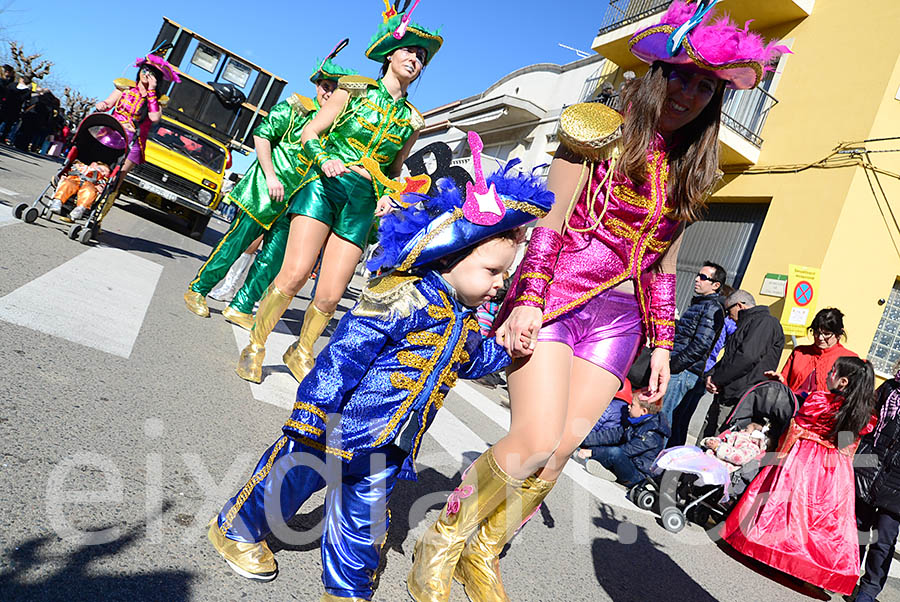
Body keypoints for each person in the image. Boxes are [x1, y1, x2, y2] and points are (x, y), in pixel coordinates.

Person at [407, 3, 788, 601]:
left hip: (620, 321)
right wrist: (528, 300)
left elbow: (663, 262)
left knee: (558, 455)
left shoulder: (689, 170)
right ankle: (443, 538)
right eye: (682, 77)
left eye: (705, 86)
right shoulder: (597, 128)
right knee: (533, 438)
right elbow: (551, 224)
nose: (689, 93)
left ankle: (483, 553)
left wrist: (663, 344)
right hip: (555, 300)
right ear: (660, 74)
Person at [206, 143, 553, 599]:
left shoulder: (461, 319)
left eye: (503, 275)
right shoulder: (402, 296)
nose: (499, 284)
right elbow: (343, 355)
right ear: (451, 255)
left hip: (390, 442)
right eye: (492, 271)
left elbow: (471, 359)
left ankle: (347, 588)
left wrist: (510, 352)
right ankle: (237, 530)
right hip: (335, 425)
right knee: (290, 481)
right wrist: (313, 413)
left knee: (363, 518)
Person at [235, 10, 443, 384]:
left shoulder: (413, 120)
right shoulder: (354, 89)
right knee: (295, 274)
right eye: (410, 51)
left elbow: (394, 170)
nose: (416, 60)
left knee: (330, 296)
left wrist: (389, 195)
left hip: (362, 201)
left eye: (422, 57)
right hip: (323, 187)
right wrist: (325, 159)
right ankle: (255, 344)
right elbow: (310, 133)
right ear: (390, 55)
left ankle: (301, 350)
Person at [184, 54, 356, 330]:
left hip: (296, 203)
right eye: (326, 85)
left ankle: (240, 306)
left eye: (336, 88)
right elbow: (262, 135)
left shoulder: (336, 128)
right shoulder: (296, 108)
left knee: (272, 259)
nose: (329, 92)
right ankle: (198, 289)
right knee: (235, 245)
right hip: (265, 191)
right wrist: (271, 176)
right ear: (317, 86)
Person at [721, 357, 877, 595]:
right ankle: (811, 568)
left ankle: (770, 551)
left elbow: (800, 421)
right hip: (835, 469)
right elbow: (846, 444)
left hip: (804, 460)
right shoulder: (861, 415)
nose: (828, 375)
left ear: (842, 382)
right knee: (821, 517)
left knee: (788, 508)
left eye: (832, 372)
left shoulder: (819, 401)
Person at [703, 290, 784, 438]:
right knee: (706, 443)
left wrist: (717, 379)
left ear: (740, 306)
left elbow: (746, 357)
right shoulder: (746, 324)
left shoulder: (765, 322)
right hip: (726, 395)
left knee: (718, 448)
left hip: (740, 400)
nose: (728, 316)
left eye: (729, 311)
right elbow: (730, 358)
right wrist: (711, 374)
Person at [854, 361, 900, 602]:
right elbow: (862, 419)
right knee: (858, 528)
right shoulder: (889, 389)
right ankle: (847, 575)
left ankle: (869, 590)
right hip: (869, 467)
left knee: (883, 539)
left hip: (897, 483)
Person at [96, 54, 179, 184]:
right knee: (95, 162)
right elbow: (108, 103)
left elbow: (154, 117)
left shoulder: (158, 100)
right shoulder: (125, 88)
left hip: (134, 141)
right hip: (113, 132)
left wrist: (151, 91)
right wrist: (102, 105)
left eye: (152, 74)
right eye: (145, 70)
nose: (147, 75)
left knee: (116, 178)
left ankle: (109, 194)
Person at [661, 262, 726, 426]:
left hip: (683, 371)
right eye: (698, 275)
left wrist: (674, 365)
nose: (697, 279)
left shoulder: (711, 308)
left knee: (662, 419)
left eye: (703, 277)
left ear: (715, 285)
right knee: (665, 418)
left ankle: (659, 452)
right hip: (681, 368)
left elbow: (701, 344)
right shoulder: (700, 304)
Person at [578, 388, 668, 486]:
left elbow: (626, 451)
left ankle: (609, 469)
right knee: (608, 448)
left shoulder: (651, 435)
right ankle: (609, 470)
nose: (628, 407)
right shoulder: (636, 422)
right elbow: (611, 435)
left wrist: (591, 452)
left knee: (615, 452)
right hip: (627, 461)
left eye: (632, 405)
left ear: (644, 411)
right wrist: (580, 440)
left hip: (636, 475)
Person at [765, 307, 857, 395]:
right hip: (793, 407)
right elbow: (785, 380)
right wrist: (779, 380)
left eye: (826, 334)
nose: (820, 338)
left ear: (839, 335)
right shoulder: (799, 352)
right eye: (817, 332)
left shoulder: (849, 359)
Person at [699, 423, 766, 470]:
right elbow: (726, 439)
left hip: (723, 465)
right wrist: (713, 441)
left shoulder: (753, 448)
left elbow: (740, 458)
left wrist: (718, 447)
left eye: (746, 429)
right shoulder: (739, 435)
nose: (743, 430)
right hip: (716, 454)